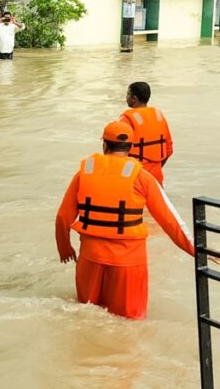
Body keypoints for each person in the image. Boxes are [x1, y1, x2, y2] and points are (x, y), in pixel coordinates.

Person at [55, 120, 195, 320]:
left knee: (88, 317)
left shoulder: (83, 174)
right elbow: (170, 221)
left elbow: (62, 217)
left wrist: (64, 248)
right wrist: (197, 251)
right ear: (131, 147)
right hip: (128, 263)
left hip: (90, 258)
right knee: (130, 324)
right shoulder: (142, 177)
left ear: (104, 145)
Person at [119, 81, 174, 186]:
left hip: (134, 178)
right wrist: (155, 165)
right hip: (156, 179)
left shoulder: (127, 119)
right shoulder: (159, 116)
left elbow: (117, 152)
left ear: (134, 98)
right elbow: (169, 150)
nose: (126, 97)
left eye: (127, 94)